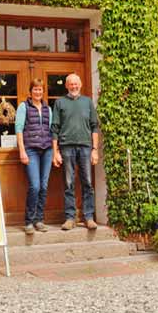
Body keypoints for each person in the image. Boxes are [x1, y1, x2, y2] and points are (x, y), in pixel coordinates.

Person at [51, 73, 100, 230]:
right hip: (66, 147)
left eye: (76, 84)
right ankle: (70, 218)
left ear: (80, 85)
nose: (74, 86)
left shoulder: (87, 102)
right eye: (71, 84)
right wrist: (55, 152)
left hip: (86, 146)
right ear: (66, 86)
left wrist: (95, 149)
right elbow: (54, 129)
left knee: (87, 182)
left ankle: (89, 217)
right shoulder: (60, 103)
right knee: (69, 183)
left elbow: (94, 127)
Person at [15, 78, 53, 235]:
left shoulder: (47, 108)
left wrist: (55, 151)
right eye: (35, 89)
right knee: (35, 186)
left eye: (40, 89)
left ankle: (39, 220)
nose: (38, 92)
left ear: (43, 91)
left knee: (44, 186)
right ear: (30, 91)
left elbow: (52, 130)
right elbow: (19, 129)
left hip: (47, 150)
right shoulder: (23, 107)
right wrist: (22, 151)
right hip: (31, 150)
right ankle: (29, 221)